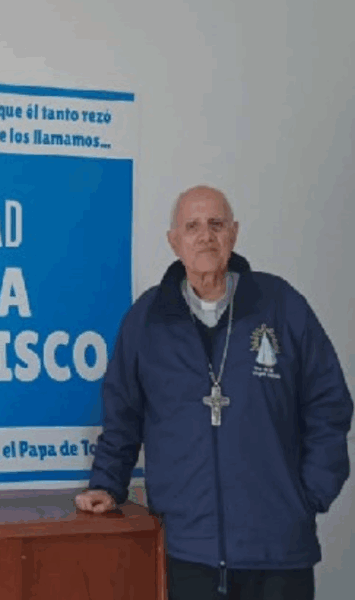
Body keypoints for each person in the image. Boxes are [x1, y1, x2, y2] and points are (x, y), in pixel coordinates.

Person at [75, 185, 352, 599]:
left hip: (278, 552)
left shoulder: (281, 305)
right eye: (192, 226)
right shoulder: (147, 320)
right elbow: (123, 414)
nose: (205, 236)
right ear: (174, 241)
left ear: (234, 234)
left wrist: (307, 497)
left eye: (216, 224)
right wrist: (107, 484)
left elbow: (329, 405)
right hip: (189, 553)